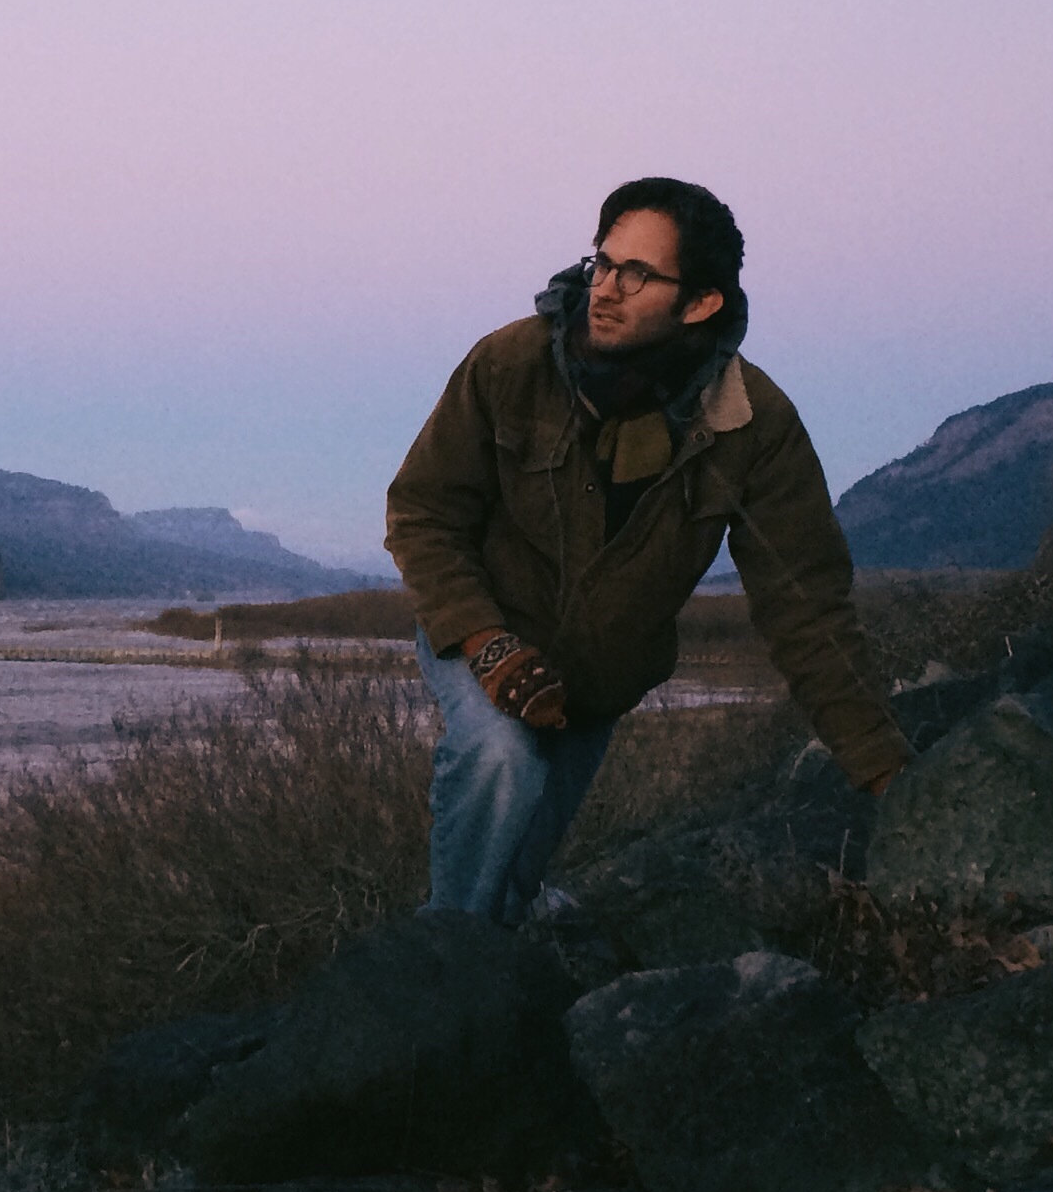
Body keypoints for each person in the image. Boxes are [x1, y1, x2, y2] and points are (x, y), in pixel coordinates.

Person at [384, 177, 910, 925]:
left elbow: (808, 611)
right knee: (501, 765)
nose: (604, 288)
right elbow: (422, 511)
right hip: (479, 630)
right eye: (602, 262)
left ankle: (513, 937)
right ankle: (440, 969)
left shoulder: (753, 426)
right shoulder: (510, 364)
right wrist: (487, 643)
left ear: (699, 303)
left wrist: (887, 773)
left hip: (597, 677)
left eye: (637, 274)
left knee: (516, 886)